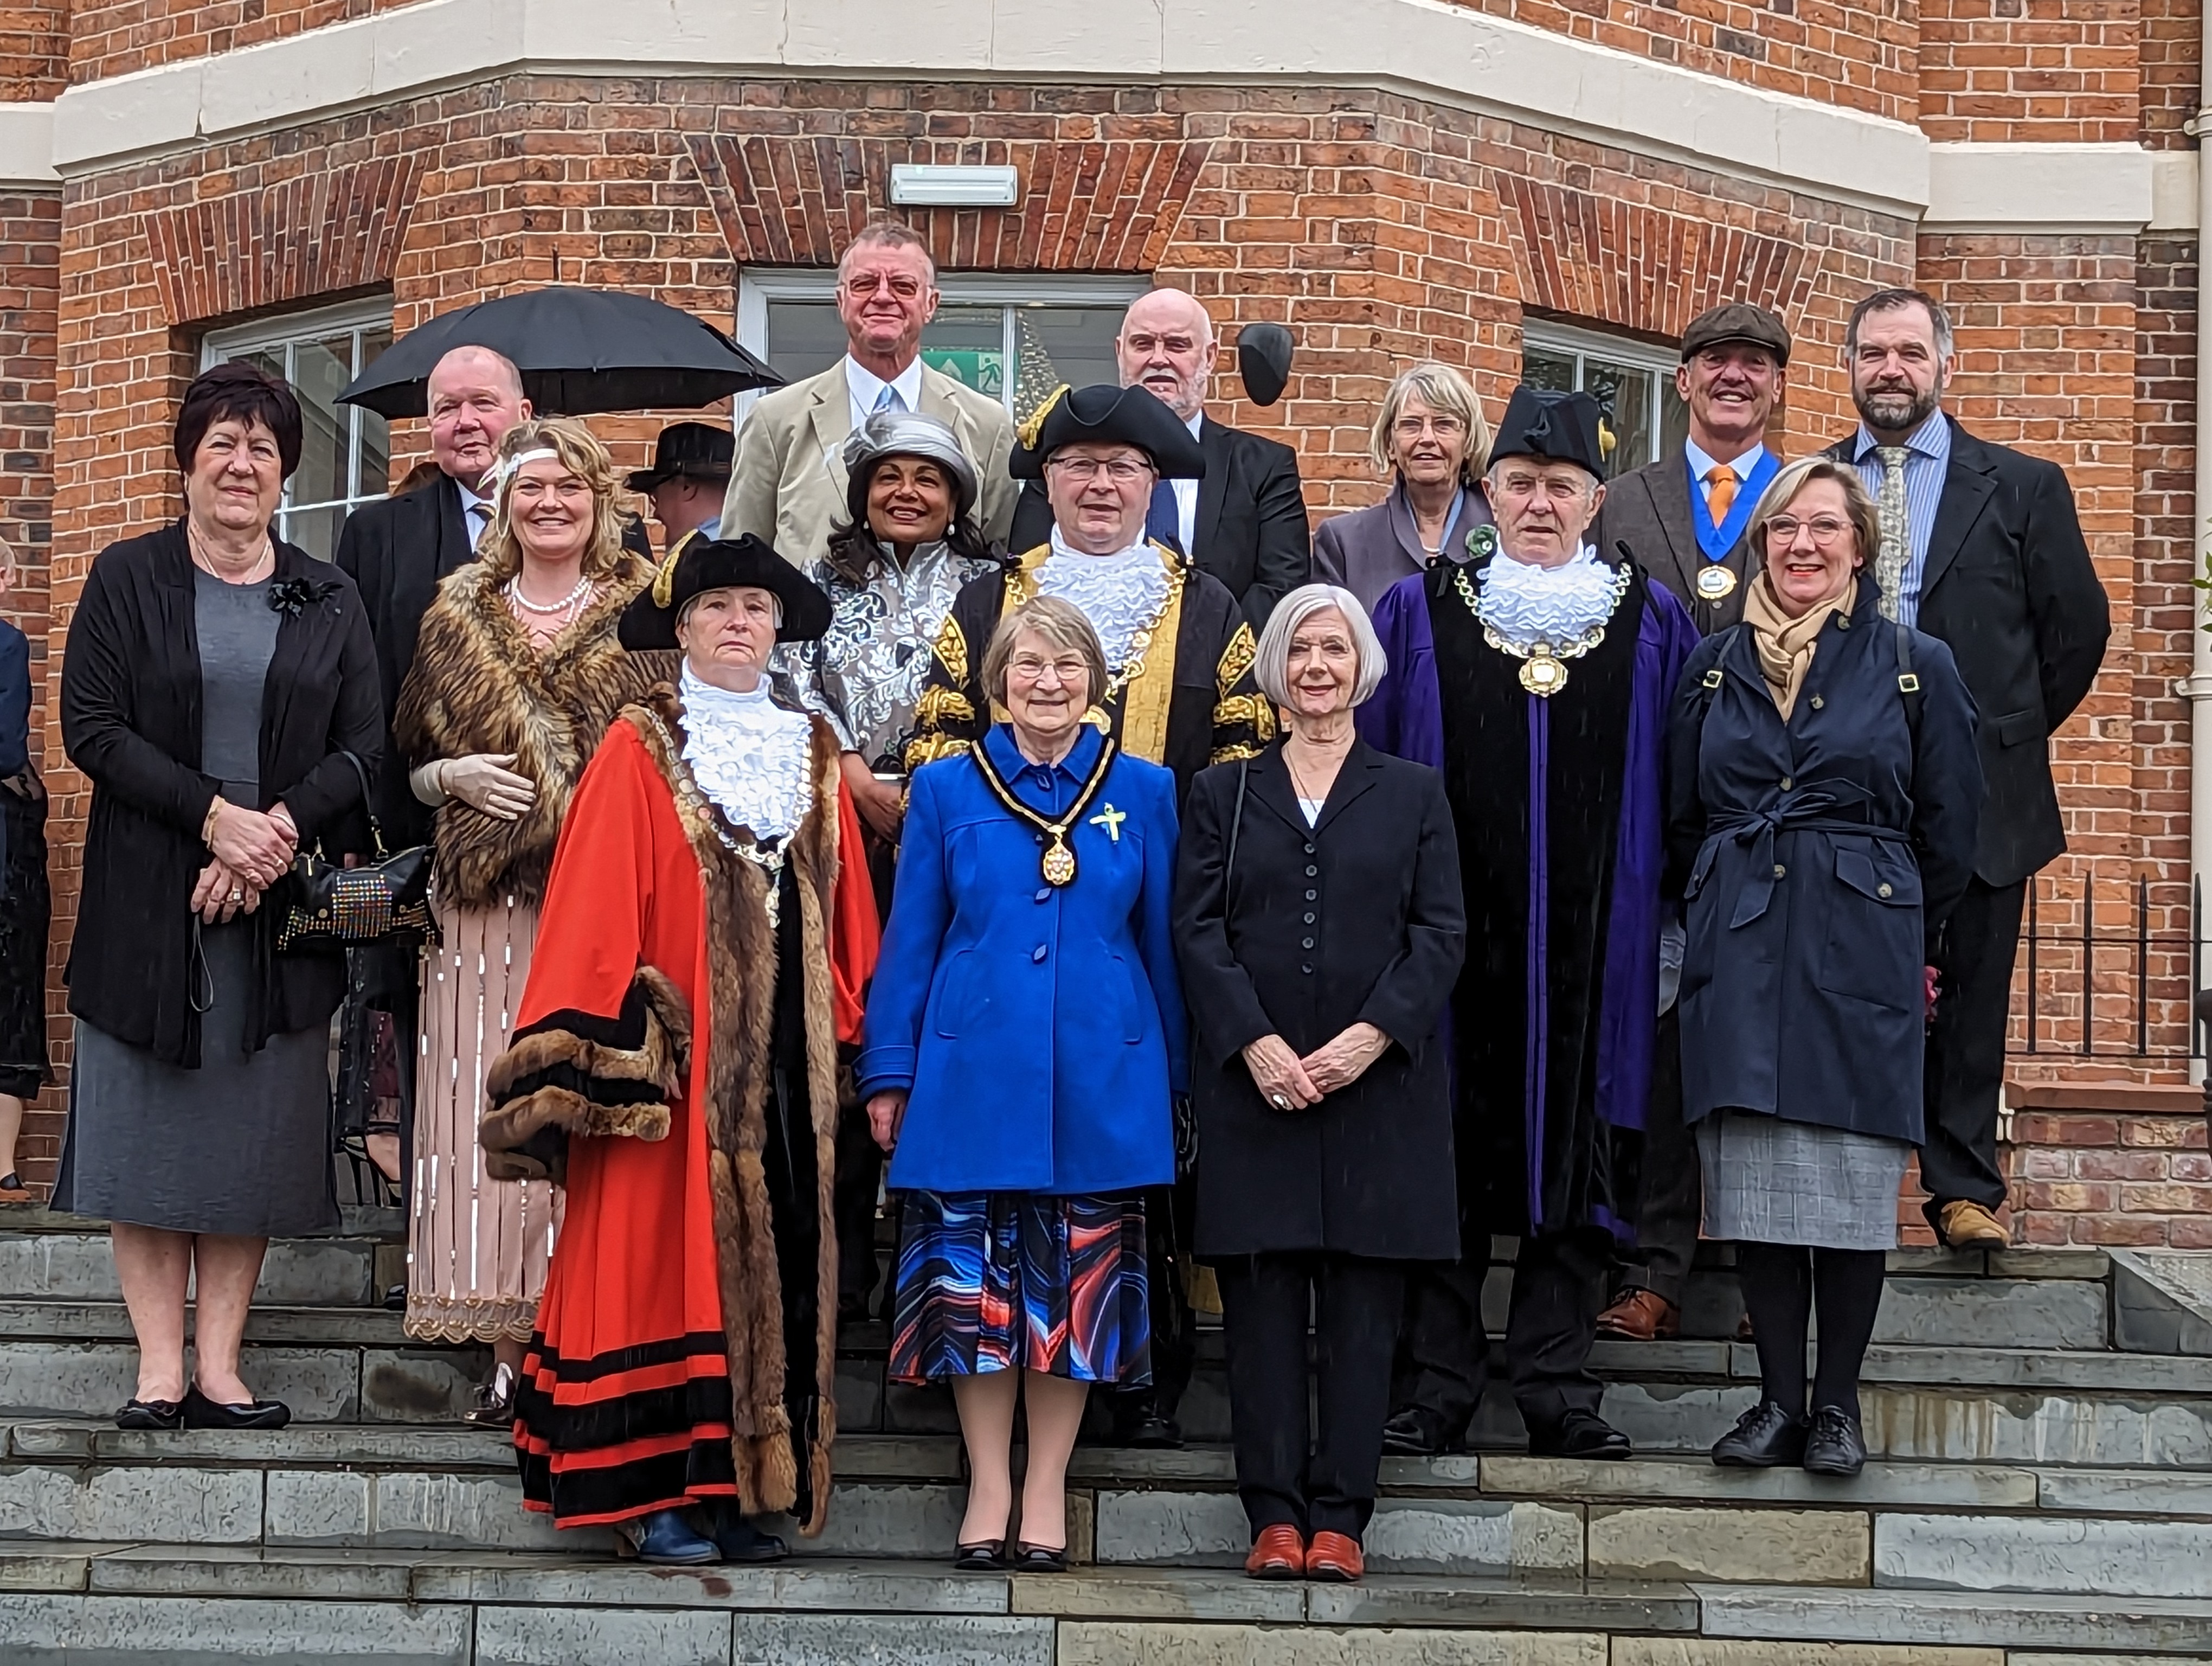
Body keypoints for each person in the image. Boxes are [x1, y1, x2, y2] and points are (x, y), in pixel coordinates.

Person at [478, 533, 878, 1563]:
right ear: (684, 629)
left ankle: (745, 1486)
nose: (739, 622)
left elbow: (848, 910)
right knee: (658, 1264)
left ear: (778, 628)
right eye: (716, 607)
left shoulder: (815, 752)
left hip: (785, 1065)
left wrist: (852, 1032)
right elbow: (594, 904)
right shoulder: (639, 744)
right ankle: (651, 1491)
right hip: (675, 1059)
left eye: (756, 607)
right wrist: (619, 1048)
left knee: (778, 1264)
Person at [905, 381, 1272, 1446]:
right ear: (1049, 482)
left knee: (1138, 1160)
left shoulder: (1213, 607)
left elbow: (1245, 754)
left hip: (1155, 922)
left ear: (1153, 483)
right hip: (1005, 942)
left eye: (1123, 468)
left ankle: (1141, 1375)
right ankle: (993, 1378)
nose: (1101, 485)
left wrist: (1177, 866)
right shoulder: (988, 602)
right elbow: (934, 743)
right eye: (1080, 467)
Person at [1360, 387, 1699, 1460]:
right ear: (1488, 493)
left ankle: (1557, 1381)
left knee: (1586, 1146)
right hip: (1452, 945)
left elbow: (1687, 775)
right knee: (1444, 1150)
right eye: (1519, 484)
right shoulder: (1419, 612)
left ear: (1596, 500)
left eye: (1561, 486)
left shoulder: (1652, 619)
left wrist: (1673, 917)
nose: (1539, 504)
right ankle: (1440, 1381)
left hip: (1604, 941)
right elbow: (1374, 774)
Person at [55, 361, 383, 1430]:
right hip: (148, 900)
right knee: (148, 1131)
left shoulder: (329, 593)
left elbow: (365, 746)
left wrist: (268, 836)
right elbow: (92, 727)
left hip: (277, 909)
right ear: (188, 462)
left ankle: (222, 1367)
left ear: (287, 471)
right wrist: (212, 819)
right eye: (223, 445)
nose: (242, 464)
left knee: (251, 1132)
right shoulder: (126, 575)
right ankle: (159, 1370)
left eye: (263, 448)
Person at [1670, 458, 1981, 1476]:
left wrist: (1901, 930)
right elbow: (1681, 815)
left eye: (1823, 527)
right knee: (1756, 1186)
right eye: (1782, 528)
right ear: (1759, 544)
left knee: (1848, 1187)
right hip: (1741, 944)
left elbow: (1952, 827)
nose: (1801, 545)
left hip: (1860, 944)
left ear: (1860, 545)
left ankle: (1837, 1406)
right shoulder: (1711, 666)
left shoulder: (1913, 663)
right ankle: (1776, 1402)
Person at [858, 597, 1182, 1573]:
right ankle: (988, 1488)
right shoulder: (946, 788)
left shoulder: (1146, 788)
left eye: (1068, 665)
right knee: (976, 1296)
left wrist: (1171, 1080)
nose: (1049, 682)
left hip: (1102, 1076)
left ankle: (1045, 1488)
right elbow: (911, 939)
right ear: (998, 681)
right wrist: (890, 1071)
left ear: (1096, 681)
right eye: (1030, 665)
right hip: (969, 1075)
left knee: (1075, 1295)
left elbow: (1163, 944)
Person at [1175, 583, 1465, 1583]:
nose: (1316, 668)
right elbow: (1197, 931)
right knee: (1260, 1314)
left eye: (1334, 650)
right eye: (1300, 651)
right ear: (1275, 671)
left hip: (1376, 1093)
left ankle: (1341, 1516)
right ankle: (1273, 1515)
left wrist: (1369, 1039)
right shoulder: (1224, 793)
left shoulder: (1414, 791)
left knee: (1362, 1312)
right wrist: (1254, 1044)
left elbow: (1441, 932)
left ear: (1362, 668)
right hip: (1256, 1092)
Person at [1823, 289, 2109, 1250]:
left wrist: (2001, 733)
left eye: (1910, 352)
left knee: (1974, 989)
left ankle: (1961, 1190)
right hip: (1847, 779)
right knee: (1847, 989)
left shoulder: (2022, 486)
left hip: (1985, 782)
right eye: (1874, 353)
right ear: (1850, 366)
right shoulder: (1814, 486)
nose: (1891, 370)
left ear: (1946, 365)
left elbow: (2077, 628)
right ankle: (1846, 1193)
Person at [391, 417, 661, 1424]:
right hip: (483, 908)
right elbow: (407, 765)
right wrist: (452, 775)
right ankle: (503, 1352)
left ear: (601, 501)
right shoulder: (455, 616)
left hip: (603, 905)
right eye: (531, 489)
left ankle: (573, 1341)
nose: (551, 504)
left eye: (570, 488)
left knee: (576, 1112)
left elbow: (676, 752)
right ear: (503, 506)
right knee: (482, 1113)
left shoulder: (647, 611)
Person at [1593, 302, 1791, 1345]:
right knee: (1660, 1039)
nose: (1733, 377)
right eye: (1715, 361)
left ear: (1777, 385)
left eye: (1754, 364)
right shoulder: (1624, 499)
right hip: (1648, 811)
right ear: (1682, 380)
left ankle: (1775, 1275)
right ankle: (1654, 1267)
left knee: (1768, 1047)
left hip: (1772, 815)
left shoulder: (1806, 502)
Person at [781, 408, 1004, 1323]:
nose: (907, 493)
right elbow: (789, 681)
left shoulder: (992, 586)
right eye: (889, 477)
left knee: (936, 1037)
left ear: (957, 498)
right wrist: (847, 771)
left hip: (958, 836)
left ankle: (931, 1268)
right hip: (842, 839)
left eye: (928, 479)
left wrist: (934, 792)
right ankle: (841, 1275)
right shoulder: (813, 582)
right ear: (863, 491)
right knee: (848, 1037)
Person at [1011, 287, 1311, 625]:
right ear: (1120, 352)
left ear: (1210, 357)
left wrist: (1203, 647)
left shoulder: (1264, 468)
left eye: (1177, 345)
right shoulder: (1063, 464)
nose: (1158, 359)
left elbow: (1282, 588)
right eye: (1142, 344)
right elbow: (1026, 573)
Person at [722, 217, 1018, 560]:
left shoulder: (986, 425)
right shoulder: (776, 420)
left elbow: (1002, 559)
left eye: (903, 286)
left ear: (931, 304)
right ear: (841, 300)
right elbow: (739, 557)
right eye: (864, 284)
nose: (882, 297)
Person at [1311, 361, 1494, 613]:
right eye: (1411, 425)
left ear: (1469, 442)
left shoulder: (1508, 536)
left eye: (1444, 425)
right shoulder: (1344, 542)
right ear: (1390, 444)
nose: (1427, 438)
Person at [0, 537, 50, 1202]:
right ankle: (1, 1166)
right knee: (9, 996)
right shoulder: (7, 644)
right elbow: (8, 747)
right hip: (5, 859)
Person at [628, 420, 732, 556]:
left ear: (686, 488)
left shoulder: (698, 557)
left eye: (656, 498)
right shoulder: (748, 546)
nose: (656, 513)